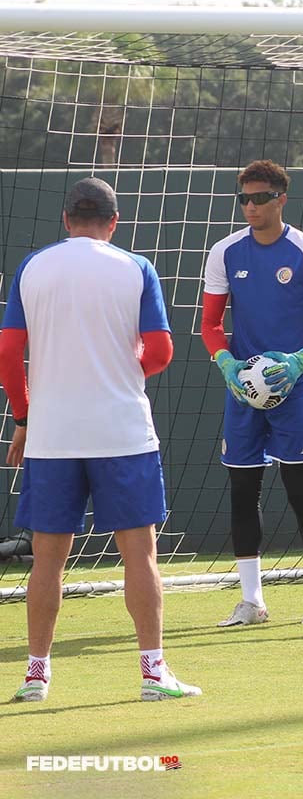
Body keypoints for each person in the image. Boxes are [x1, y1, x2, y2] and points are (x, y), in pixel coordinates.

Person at [0, 177, 200, 702]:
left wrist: (24, 416)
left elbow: (8, 356)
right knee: (141, 554)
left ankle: (36, 676)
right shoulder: (136, 267)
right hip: (122, 430)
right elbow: (159, 352)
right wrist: (121, 370)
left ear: (66, 220)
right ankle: (154, 674)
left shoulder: (33, 268)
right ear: (113, 223)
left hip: (52, 435)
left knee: (47, 559)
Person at [202, 160, 303, 626]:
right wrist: (226, 362)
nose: (250, 207)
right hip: (243, 390)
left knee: (298, 489)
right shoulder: (225, 252)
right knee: (242, 490)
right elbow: (211, 325)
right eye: (244, 199)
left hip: (292, 389)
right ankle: (251, 601)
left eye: (259, 198)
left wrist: (300, 361)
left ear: (280, 199)